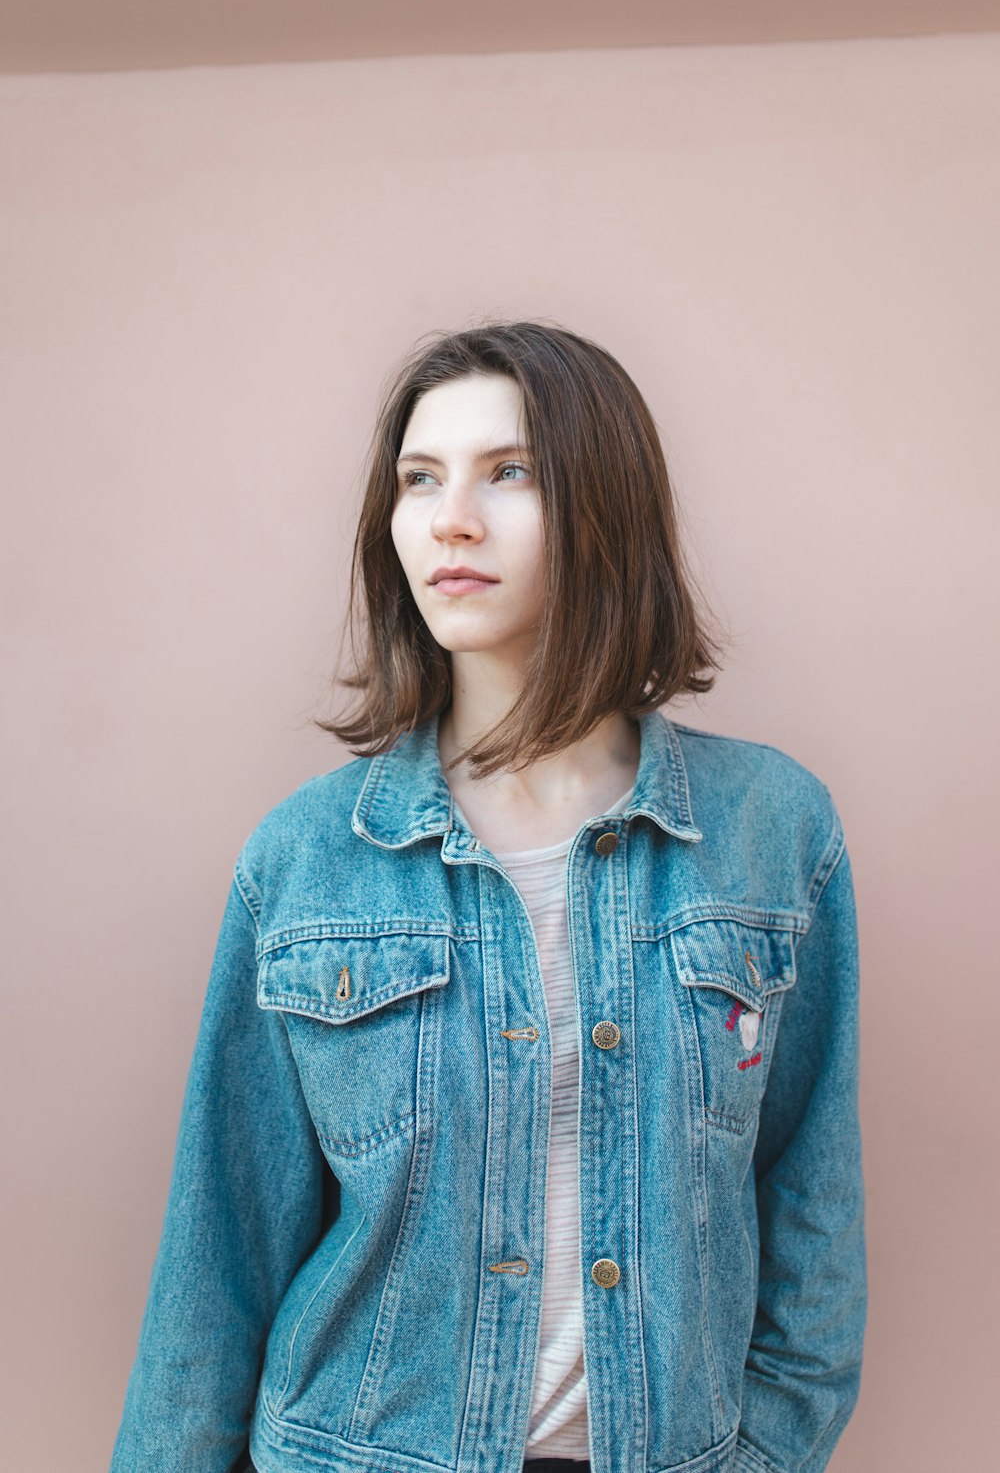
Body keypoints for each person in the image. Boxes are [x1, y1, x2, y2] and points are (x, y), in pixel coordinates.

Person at [110, 321, 866, 1473]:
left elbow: (811, 1214)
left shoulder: (771, 833)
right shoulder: (309, 856)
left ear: (606, 504)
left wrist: (762, 1453)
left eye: (508, 472)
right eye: (420, 479)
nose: (450, 517)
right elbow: (219, 1261)